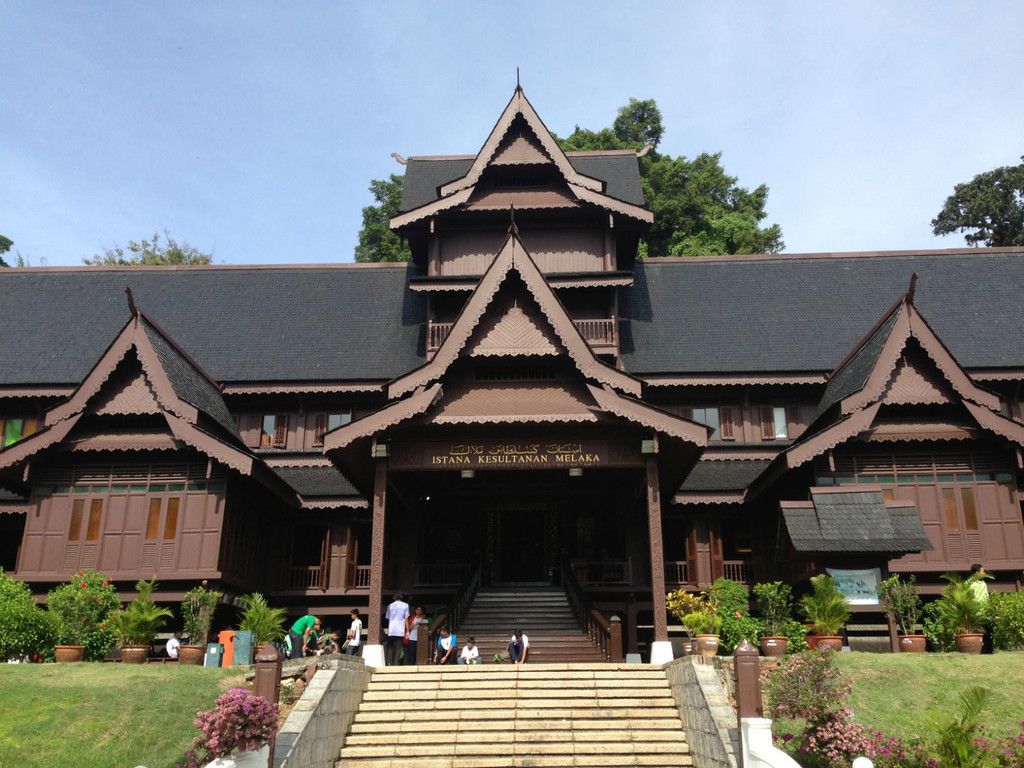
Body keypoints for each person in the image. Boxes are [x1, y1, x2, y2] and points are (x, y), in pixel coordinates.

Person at [969, 563, 993, 653]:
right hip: (976, 612)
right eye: (982, 571)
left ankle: (989, 650)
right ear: (976, 572)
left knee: (988, 631)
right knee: (978, 632)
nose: (984, 573)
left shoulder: (983, 583)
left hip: (985, 611)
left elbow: (986, 596)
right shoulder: (970, 584)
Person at [384, 593, 410, 666]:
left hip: (392, 629)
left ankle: (389, 661)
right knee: (399, 646)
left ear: (393, 597)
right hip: (400, 629)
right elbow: (406, 619)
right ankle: (396, 663)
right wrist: (407, 630)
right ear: (401, 597)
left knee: (390, 646)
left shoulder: (390, 606)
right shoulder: (405, 605)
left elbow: (388, 617)